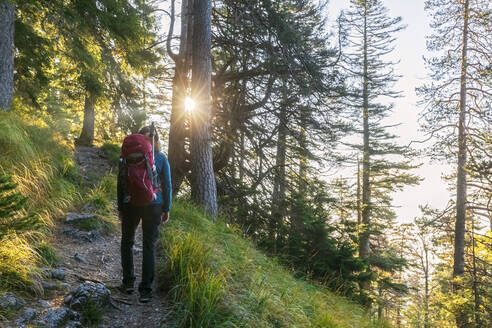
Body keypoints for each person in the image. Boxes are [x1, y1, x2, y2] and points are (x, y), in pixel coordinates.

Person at [117, 125, 172, 303]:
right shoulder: (162, 158)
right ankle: (146, 291)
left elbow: (121, 182)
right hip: (154, 205)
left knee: (127, 242)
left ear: (139, 138)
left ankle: (128, 282)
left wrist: (120, 206)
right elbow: (168, 186)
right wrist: (166, 208)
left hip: (130, 203)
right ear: (156, 139)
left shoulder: (126, 157)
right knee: (148, 245)